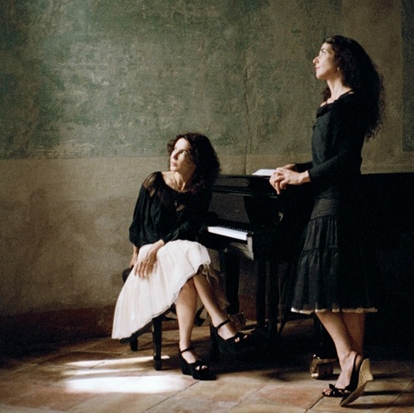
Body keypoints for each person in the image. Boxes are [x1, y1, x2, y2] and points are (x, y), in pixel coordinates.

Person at [269, 35, 384, 406]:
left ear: (341, 60)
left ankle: (349, 359)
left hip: (337, 204)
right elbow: (328, 160)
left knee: (317, 289)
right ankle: (353, 370)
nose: (314, 59)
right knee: (345, 293)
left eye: (322, 53)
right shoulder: (333, 104)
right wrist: (296, 167)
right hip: (333, 201)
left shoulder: (351, 102)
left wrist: (303, 177)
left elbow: (348, 161)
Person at [112, 132, 251, 380]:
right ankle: (220, 322)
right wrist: (139, 254)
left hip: (177, 260)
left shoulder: (200, 191)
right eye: (174, 149)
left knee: (186, 261)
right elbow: (137, 226)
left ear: (196, 160)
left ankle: (187, 349)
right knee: (190, 249)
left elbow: (188, 228)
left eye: (182, 151)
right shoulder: (154, 182)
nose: (173, 155)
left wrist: (161, 246)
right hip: (149, 259)